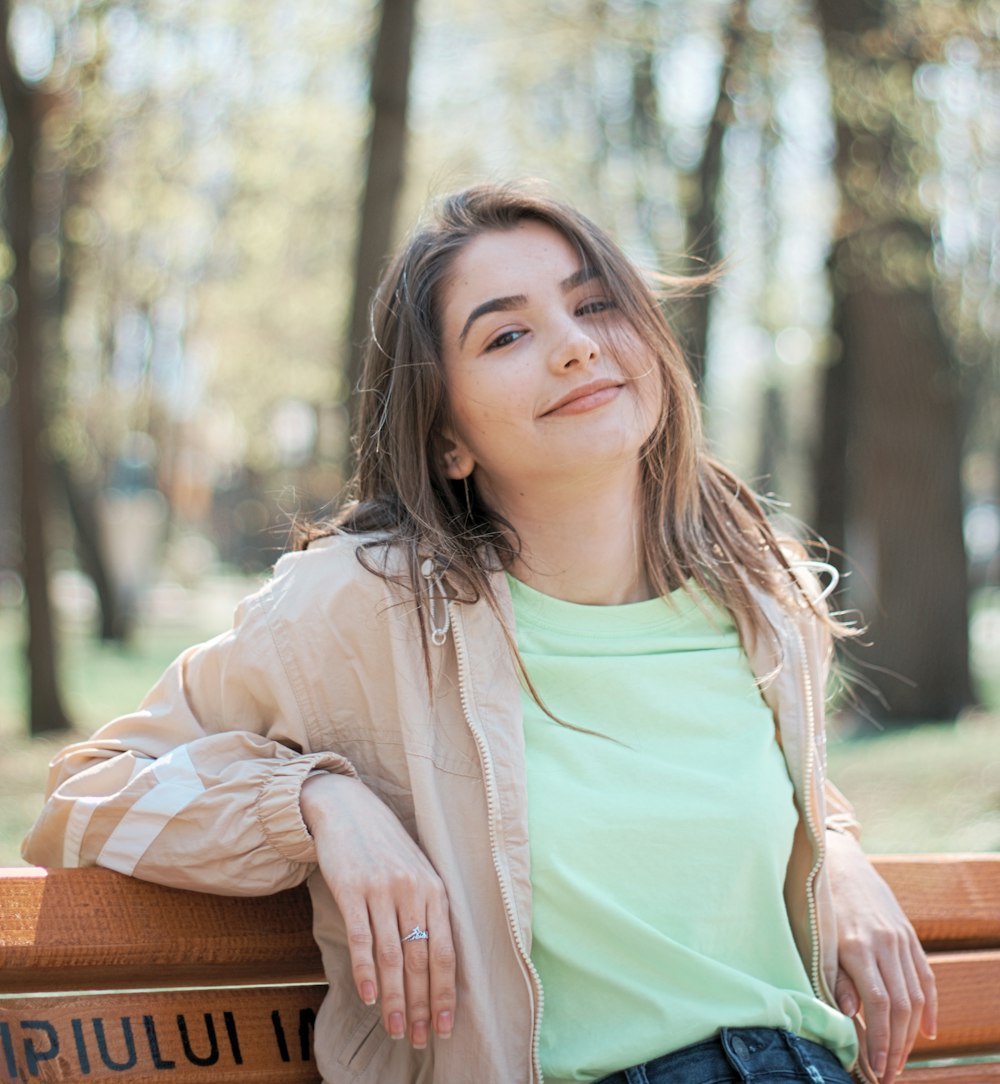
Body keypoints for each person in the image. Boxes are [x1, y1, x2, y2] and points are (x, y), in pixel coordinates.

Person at [23, 182, 936, 1084]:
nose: (576, 347)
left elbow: (776, 792)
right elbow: (90, 796)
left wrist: (839, 849)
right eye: (507, 334)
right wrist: (318, 806)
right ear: (447, 439)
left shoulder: (755, 600)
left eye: (593, 304)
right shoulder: (362, 608)